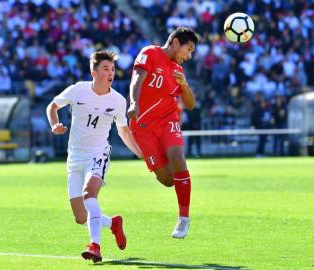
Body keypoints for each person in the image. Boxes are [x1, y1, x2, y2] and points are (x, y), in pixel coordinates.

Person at [46, 51, 142, 263]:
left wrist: (140, 153)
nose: (111, 73)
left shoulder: (118, 100)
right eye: (106, 69)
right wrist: (55, 125)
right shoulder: (78, 90)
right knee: (81, 217)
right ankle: (113, 223)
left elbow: (123, 130)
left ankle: (95, 245)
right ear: (94, 72)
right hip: (75, 156)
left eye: (113, 69)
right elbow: (52, 106)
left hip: (99, 152)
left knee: (90, 194)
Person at [127, 27, 199, 238]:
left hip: (167, 119)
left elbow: (191, 104)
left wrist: (184, 85)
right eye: (189, 49)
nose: (189, 55)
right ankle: (157, 162)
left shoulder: (178, 71)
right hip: (142, 125)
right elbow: (137, 79)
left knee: (177, 157)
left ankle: (183, 218)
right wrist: (133, 103)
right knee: (168, 180)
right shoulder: (150, 52)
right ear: (176, 42)